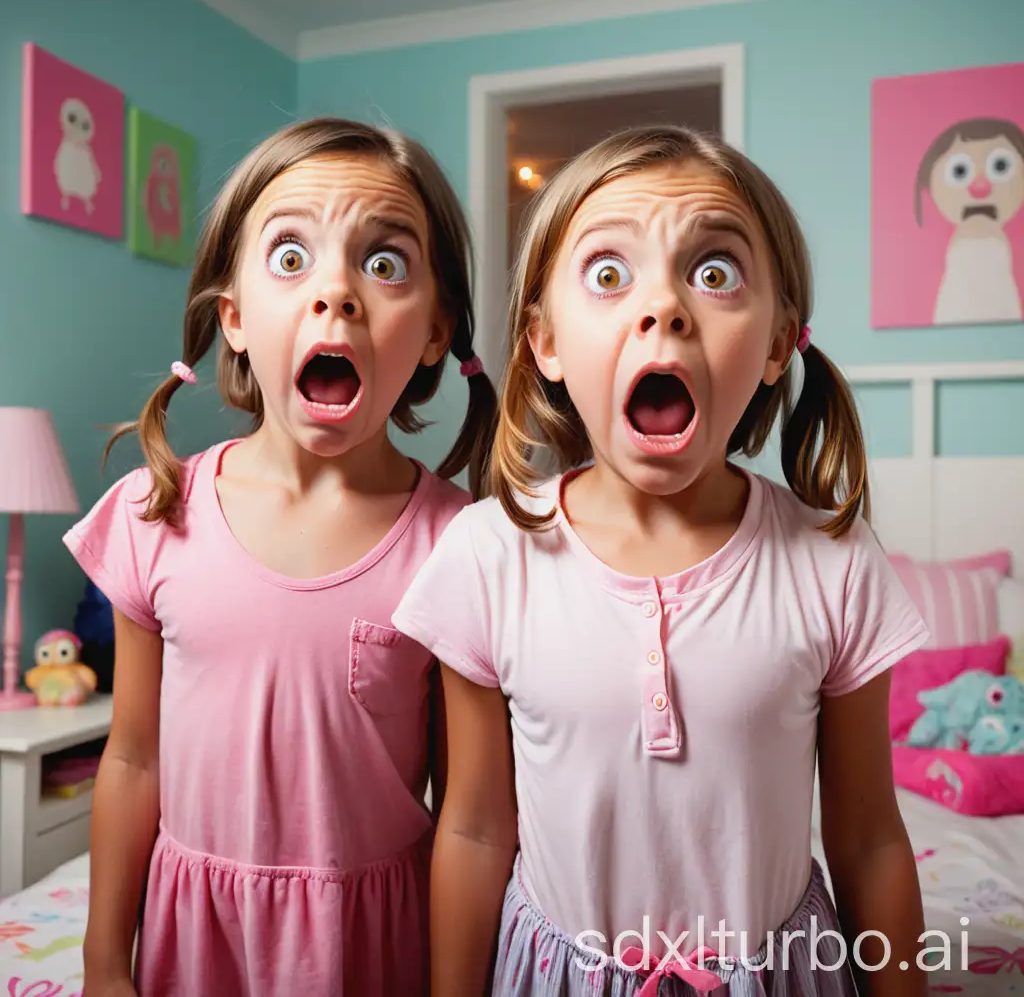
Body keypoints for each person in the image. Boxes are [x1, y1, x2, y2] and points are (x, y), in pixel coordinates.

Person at [392, 125, 931, 996]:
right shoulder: (488, 555)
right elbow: (476, 830)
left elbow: (869, 838)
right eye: (609, 275)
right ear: (546, 343)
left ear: (775, 343)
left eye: (714, 274)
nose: (665, 308)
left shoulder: (834, 562)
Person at [64, 117, 497, 997]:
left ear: (433, 334)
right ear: (234, 318)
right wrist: (105, 963)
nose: (336, 292)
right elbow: (133, 757)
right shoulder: (158, 514)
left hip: (379, 944)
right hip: (194, 937)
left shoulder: (464, 544)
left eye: (384, 263)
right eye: (291, 257)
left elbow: (472, 813)